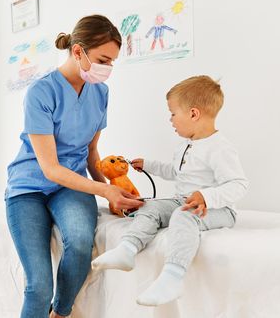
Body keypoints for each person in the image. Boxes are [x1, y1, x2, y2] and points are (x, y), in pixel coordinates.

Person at [5, 15, 143, 318]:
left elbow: (92, 151)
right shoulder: (41, 92)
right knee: (39, 285)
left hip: (71, 186)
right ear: (78, 51)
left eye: (112, 62)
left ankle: (61, 312)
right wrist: (104, 190)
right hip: (29, 187)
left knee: (80, 244)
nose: (108, 68)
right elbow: (51, 169)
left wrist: (117, 191)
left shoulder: (101, 93)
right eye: (103, 59)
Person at [91, 75, 248, 306]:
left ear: (193, 114)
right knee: (152, 207)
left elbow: (238, 184)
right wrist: (149, 165)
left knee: (183, 216)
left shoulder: (219, 148)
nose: (170, 119)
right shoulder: (188, 144)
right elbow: (177, 172)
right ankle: (128, 248)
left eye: (173, 113)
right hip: (183, 199)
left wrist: (206, 196)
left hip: (219, 208)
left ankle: (173, 277)